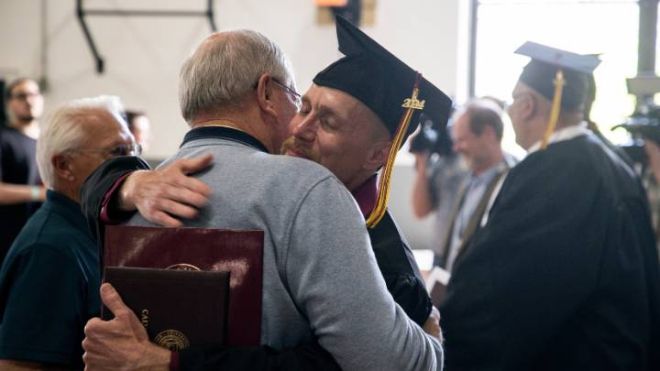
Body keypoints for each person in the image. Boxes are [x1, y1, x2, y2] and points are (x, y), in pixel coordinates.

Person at [81, 26, 446, 371]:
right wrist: (126, 183)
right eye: (303, 107)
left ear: (375, 156)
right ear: (265, 95)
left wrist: (169, 363)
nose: (300, 129)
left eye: (329, 123)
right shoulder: (143, 189)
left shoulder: (385, 254)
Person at [440, 41, 660, 370]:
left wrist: (450, 325)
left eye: (514, 100)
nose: (511, 111)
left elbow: (503, 287)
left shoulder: (552, 173)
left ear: (528, 105)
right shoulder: (613, 163)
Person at [0, 96, 138, 370]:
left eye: (135, 150)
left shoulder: (88, 231)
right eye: (119, 152)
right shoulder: (50, 250)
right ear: (64, 166)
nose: (134, 164)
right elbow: (19, 365)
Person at [413, 98, 514, 271]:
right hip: (446, 267)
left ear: (488, 134)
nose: (457, 148)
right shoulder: (455, 170)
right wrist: (422, 164)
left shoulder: (515, 178)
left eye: (462, 140)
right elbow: (421, 211)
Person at [0, 78, 46, 264]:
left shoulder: (49, 142)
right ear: (9, 103)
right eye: (21, 96)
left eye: (33, 94)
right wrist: (40, 193)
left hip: (42, 237)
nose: (29, 100)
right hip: (9, 239)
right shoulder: (4, 139)